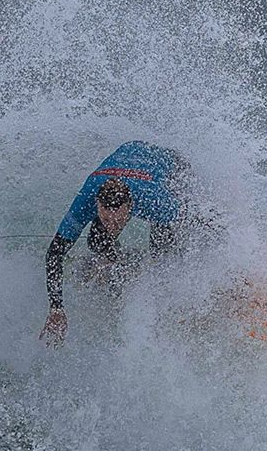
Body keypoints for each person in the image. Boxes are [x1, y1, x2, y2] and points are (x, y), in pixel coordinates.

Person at [41, 140, 195, 345]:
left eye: (119, 220)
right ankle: (113, 262)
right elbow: (55, 253)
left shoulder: (157, 202)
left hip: (174, 167)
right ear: (97, 205)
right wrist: (56, 307)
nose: (113, 225)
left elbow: (201, 219)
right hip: (130, 154)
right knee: (97, 240)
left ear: (130, 207)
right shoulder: (86, 199)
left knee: (163, 246)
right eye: (106, 218)